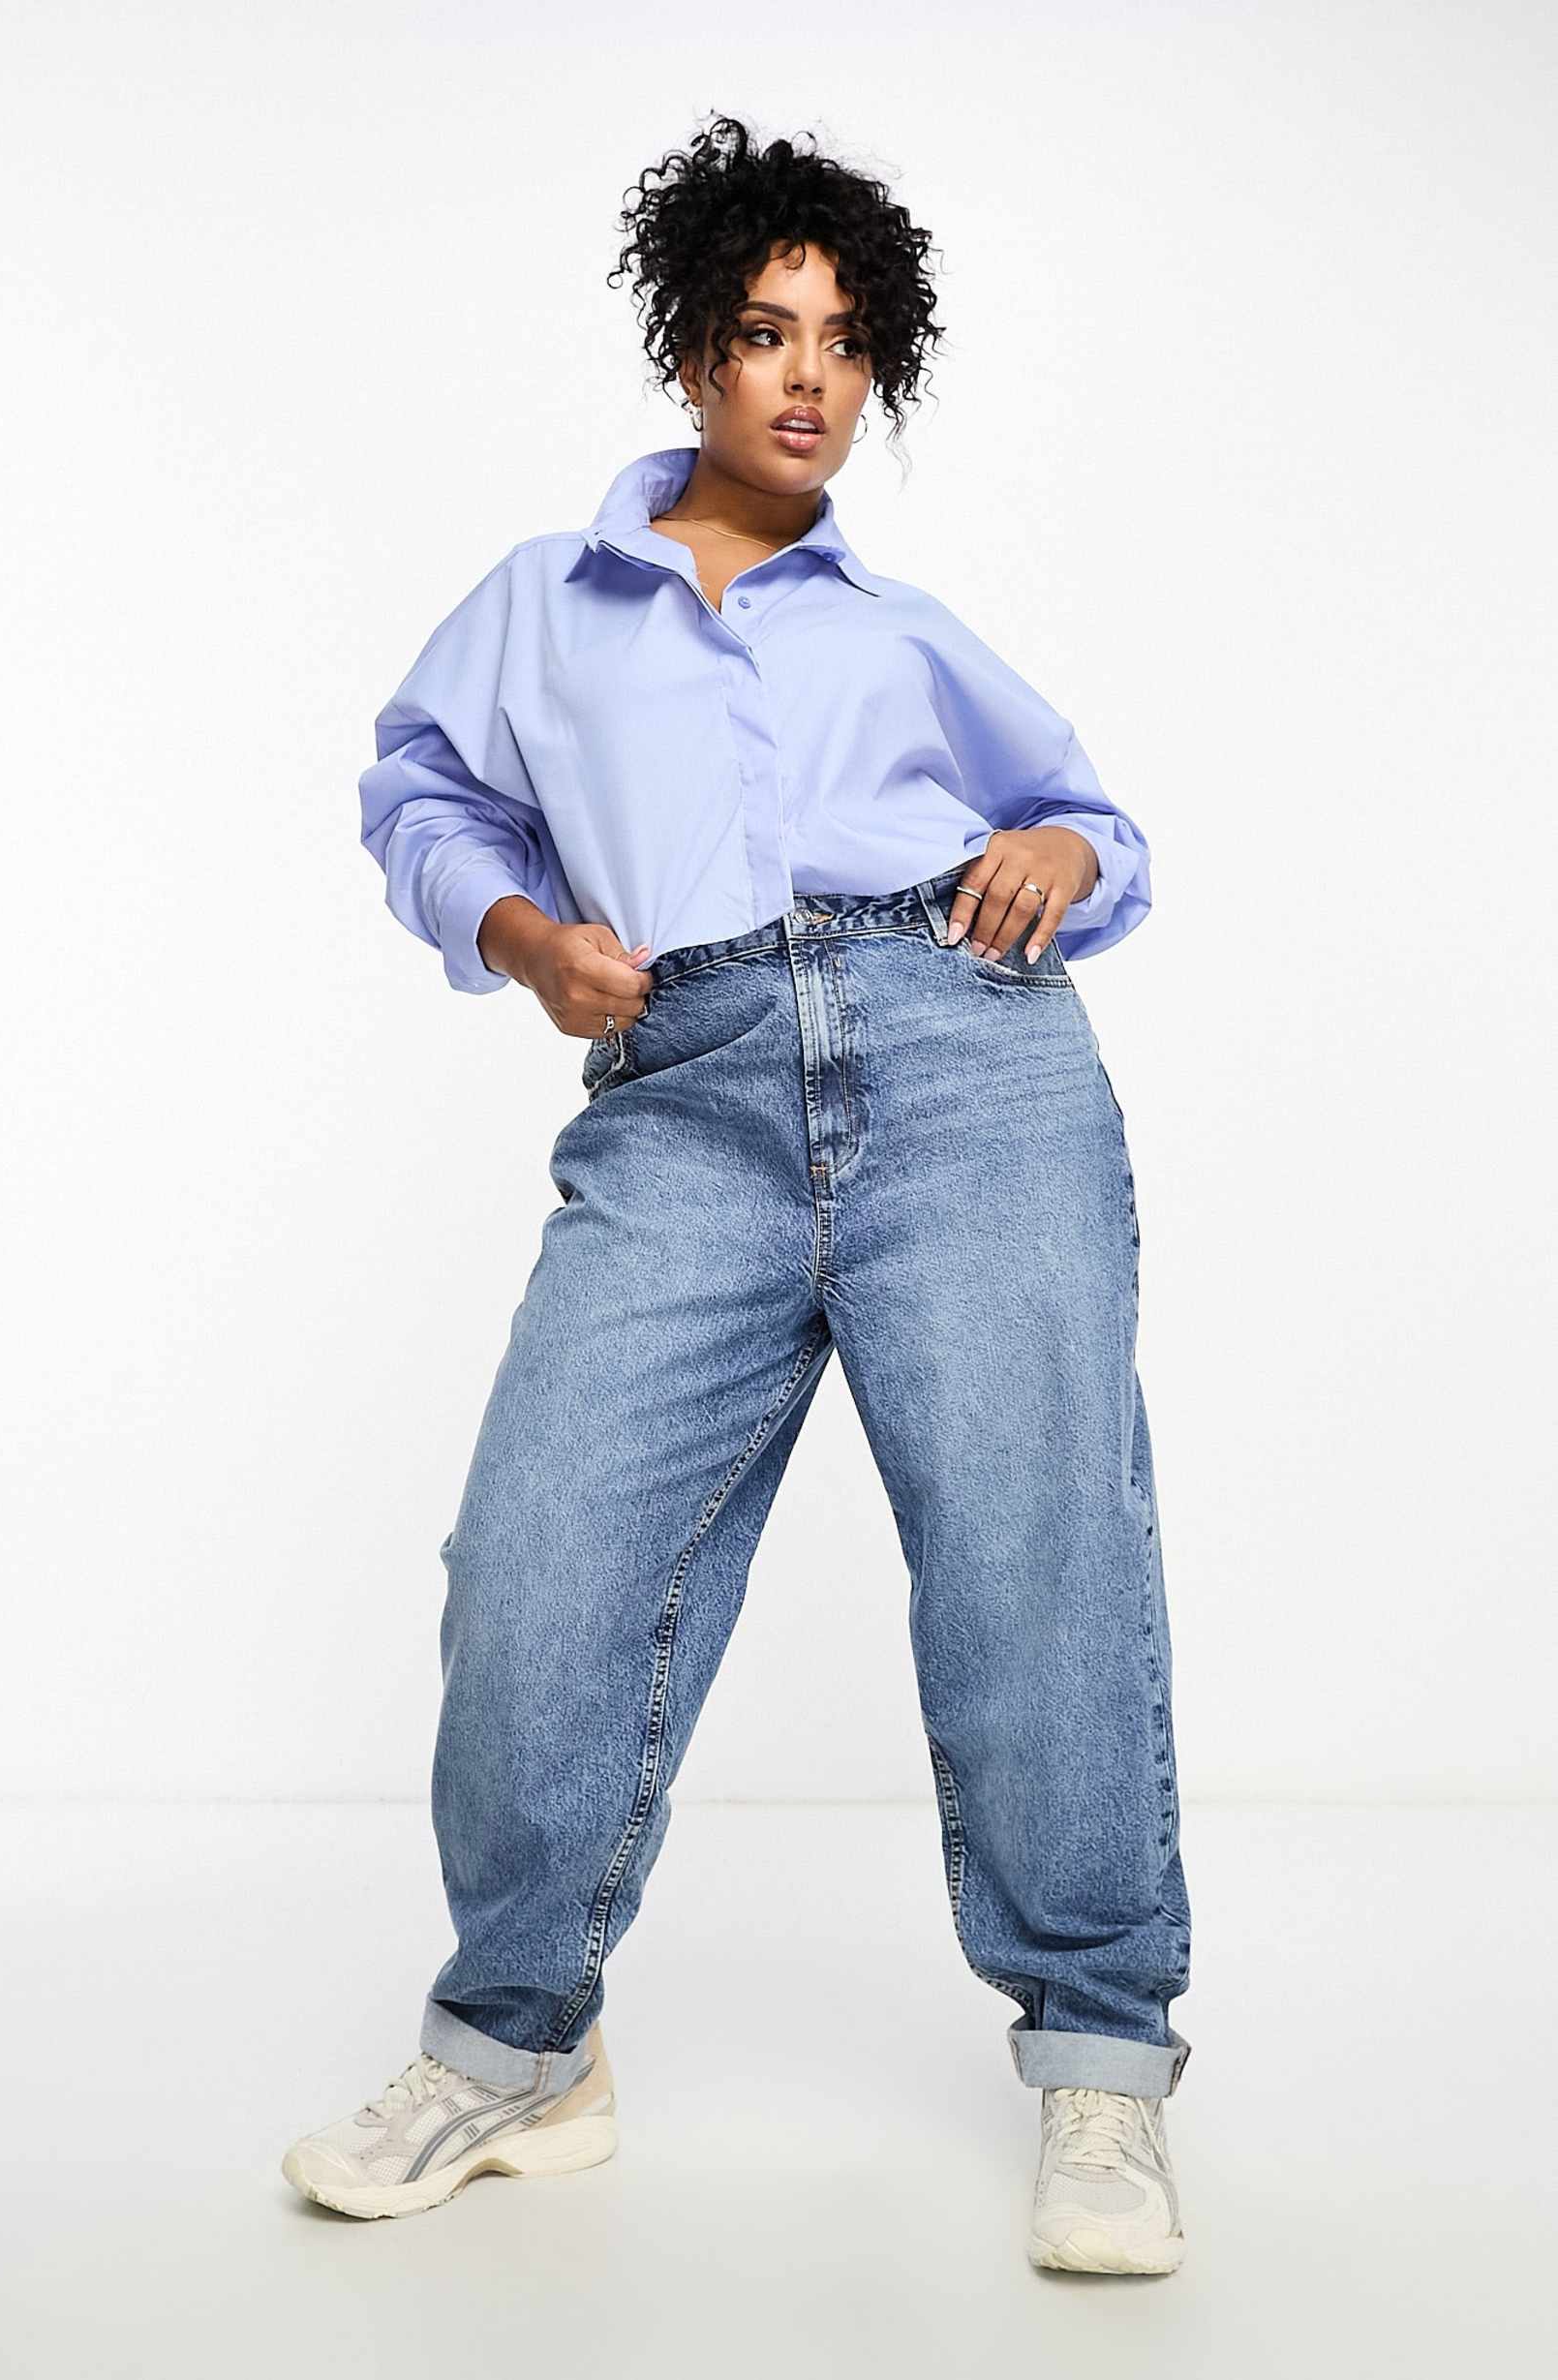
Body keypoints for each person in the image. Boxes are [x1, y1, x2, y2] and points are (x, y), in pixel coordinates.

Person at [284, 113, 1193, 2275]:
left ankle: (1100, 2061)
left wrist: (1061, 849)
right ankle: (519, 2046)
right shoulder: (542, 603)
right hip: (681, 1090)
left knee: (1033, 1551)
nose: (810, 377)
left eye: (849, 345)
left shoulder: (899, 627)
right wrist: (524, 938)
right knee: (539, 1561)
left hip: (963, 1059)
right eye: (770, 332)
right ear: (694, 349)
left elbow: (1091, 827)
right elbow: (418, 793)